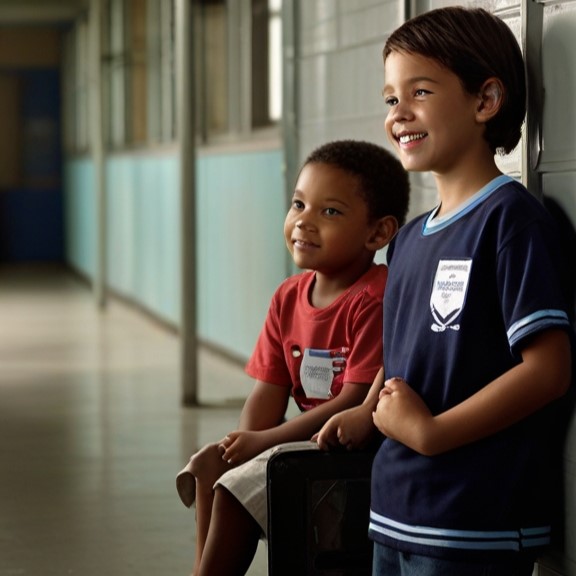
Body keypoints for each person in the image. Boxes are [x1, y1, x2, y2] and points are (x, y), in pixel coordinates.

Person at [317, 7, 573, 576]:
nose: (399, 114)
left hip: (472, 519)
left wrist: (431, 433)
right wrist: (366, 410)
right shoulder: (408, 239)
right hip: (395, 507)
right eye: (390, 99)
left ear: (485, 101)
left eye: (421, 92)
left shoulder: (511, 221)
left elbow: (548, 369)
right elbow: (406, 354)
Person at [176, 139, 410, 576]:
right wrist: (242, 446)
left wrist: (265, 445)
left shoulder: (374, 298)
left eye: (330, 212)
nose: (304, 222)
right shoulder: (288, 297)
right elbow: (268, 391)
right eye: (299, 204)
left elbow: (354, 402)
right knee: (213, 465)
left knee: (233, 491)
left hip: (350, 451)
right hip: (299, 444)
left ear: (377, 233)